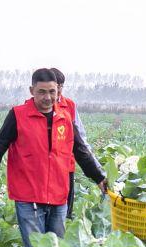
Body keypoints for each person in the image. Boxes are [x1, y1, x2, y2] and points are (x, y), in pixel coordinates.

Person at [0, 68, 106, 247]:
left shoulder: (64, 118)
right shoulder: (18, 115)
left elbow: (80, 150)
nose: (48, 97)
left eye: (52, 91)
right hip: (28, 196)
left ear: (58, 91)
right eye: (42, 92)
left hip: (59, 195)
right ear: (31, 91)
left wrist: (99, 178)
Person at [50, 67, 103, 219]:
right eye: (56, 86)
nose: (58, 90)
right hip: (46, 166)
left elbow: (81, 138)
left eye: (61, 86)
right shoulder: (42, 104)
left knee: (65, 210)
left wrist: (95, 167)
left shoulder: (70, 105)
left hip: (66, 166)